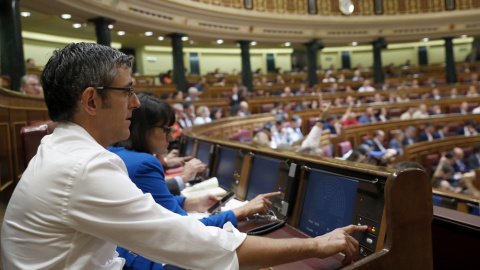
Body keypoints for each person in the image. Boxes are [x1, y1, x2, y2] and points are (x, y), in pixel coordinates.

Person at [1, 43, 366, 269]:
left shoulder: (62, 149)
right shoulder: (83, 166)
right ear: (92, 100)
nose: (136, 103)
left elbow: (161, 225)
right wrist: (316, 245)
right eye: (127, 91)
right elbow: (184, 243)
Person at [109, 94, 281, 269]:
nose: (170, 136)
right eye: (165, 129)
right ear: (145, 129)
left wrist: (192, 203)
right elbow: (187, 231)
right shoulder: (144, 163)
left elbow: (147, 201)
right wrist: (241, 211)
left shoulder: (117, 152)